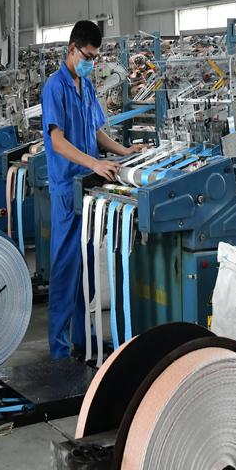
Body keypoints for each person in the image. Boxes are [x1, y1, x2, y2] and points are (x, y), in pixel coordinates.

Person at [41, 20, 140, 360]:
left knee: (87, 270)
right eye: (88, 56)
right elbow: (57, 141)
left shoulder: (85, 85)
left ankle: (84, 341)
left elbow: (96, 131)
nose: (91, 63)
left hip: (89, 189)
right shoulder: (55, 88)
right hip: (67, 190)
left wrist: (123, 152)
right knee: (65, 269)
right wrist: (94, 164)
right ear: (72, 49)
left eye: (95, 57)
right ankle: (59, 350)